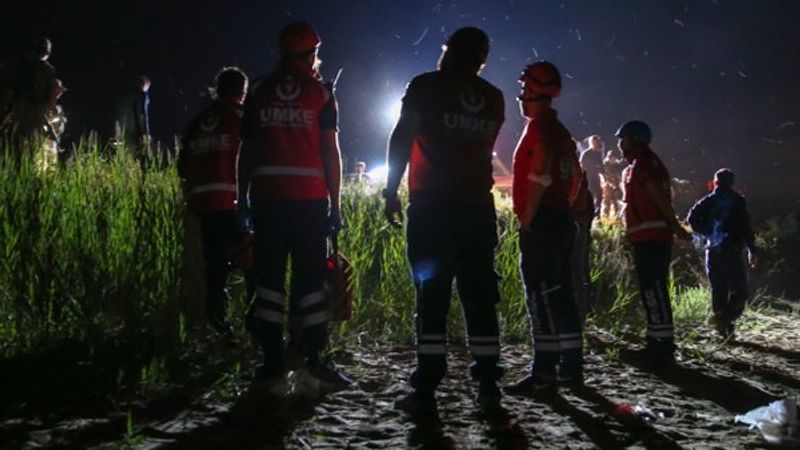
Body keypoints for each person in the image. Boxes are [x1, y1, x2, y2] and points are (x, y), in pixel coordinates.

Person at [383, 26, 505, 410]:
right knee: (480, 296)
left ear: (448, 50)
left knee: (432, 297)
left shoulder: (425, 86)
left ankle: (427, 387)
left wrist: (390, 191)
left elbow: (402, 137)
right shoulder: (493, 98)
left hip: (433, 207)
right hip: (476, 208)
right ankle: (488, 382)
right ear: (482, 60)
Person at [237, 21, 350, 388]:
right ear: (312, 54)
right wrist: (336, 205)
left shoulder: (258, 90)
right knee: (311, 283)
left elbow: (248, 150)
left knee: (269, 283)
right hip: (308, 202)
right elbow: (330, 153)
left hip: (268, 200)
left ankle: (270, 365)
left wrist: (243, 198)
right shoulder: (322, 93)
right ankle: (315, 362)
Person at [505, 61, 584, 395]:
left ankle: (544, 373)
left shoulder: (539, 128)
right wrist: (561, 204)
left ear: (535, 91)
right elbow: (576, 179)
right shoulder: (563, 132)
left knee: (540, 296)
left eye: (524, 88)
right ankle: (571, 368)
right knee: (562, 295)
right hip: (562, 219)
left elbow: (539, 172)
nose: (521, 94)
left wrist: (528, 216)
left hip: (544, 222)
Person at [178, 67, 252, 336]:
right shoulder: (243, 118)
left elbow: (182, 166)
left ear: (217, 89)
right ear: (242, 93)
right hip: (235, 205)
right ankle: (255, 326)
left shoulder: (198, 122)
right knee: (252, 266)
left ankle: (219, 326)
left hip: (204, 207)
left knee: (216, 269)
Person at [616, 120, 691, 365]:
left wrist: (675, 226)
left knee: (655, 290)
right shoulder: (646, 163)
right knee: (653, 290)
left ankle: (661, 347)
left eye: (623, 139)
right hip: (648, 237)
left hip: (651, 238)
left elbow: (657, 198)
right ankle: (657, 342)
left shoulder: (644, 164)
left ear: (635, 141)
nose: (620, 144)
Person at [686, 169, 757, 338]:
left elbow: (691, 218)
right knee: (739, 291)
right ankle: (725, 320)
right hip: (731, 251)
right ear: (732, 183)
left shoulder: (708, 200)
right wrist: (752, 250)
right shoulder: (738, 201)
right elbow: (746, 227)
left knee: (719, 290)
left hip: (713, 251)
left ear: (715, 182)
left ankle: (722, 324)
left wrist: (706, 232)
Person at [2, 37, 57, 139]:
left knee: (23, 136)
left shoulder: (29, 67)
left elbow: (13, 87)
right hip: (29, 106)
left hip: (28, 106)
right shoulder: (44, 69)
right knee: (27, 137)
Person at [115, 75, 152, 153]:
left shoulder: (123, 97)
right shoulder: (141, 95)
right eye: (147, 88)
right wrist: (146, 133)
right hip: (135, 133)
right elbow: (142, 114)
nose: (147, 91)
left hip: (122, 133)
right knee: (137, 157)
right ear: (143, 85)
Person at [579, 134, 604, 213]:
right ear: (591, 142)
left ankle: (597, 212)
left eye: (597, 142)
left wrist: (603, 174)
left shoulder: (598, 154)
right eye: (595, 142)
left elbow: (601, 166)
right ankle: (588, 211)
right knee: (590, 195)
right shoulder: (586, 153)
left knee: (599, 195)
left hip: (596, 177)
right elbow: (582, 165)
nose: (596, 143)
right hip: (588, 177)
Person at [600, 148, 625, 220]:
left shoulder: (616, 165)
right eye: (613, 158)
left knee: (615, 202)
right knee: (607, 202)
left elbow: (619, 174)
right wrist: (609, 182)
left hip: (615, 185)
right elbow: (603, 175)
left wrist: (617, 182)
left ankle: (616, 218)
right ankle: (605, 218)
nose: (614, 159)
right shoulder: (604, 165)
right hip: (607, 186)